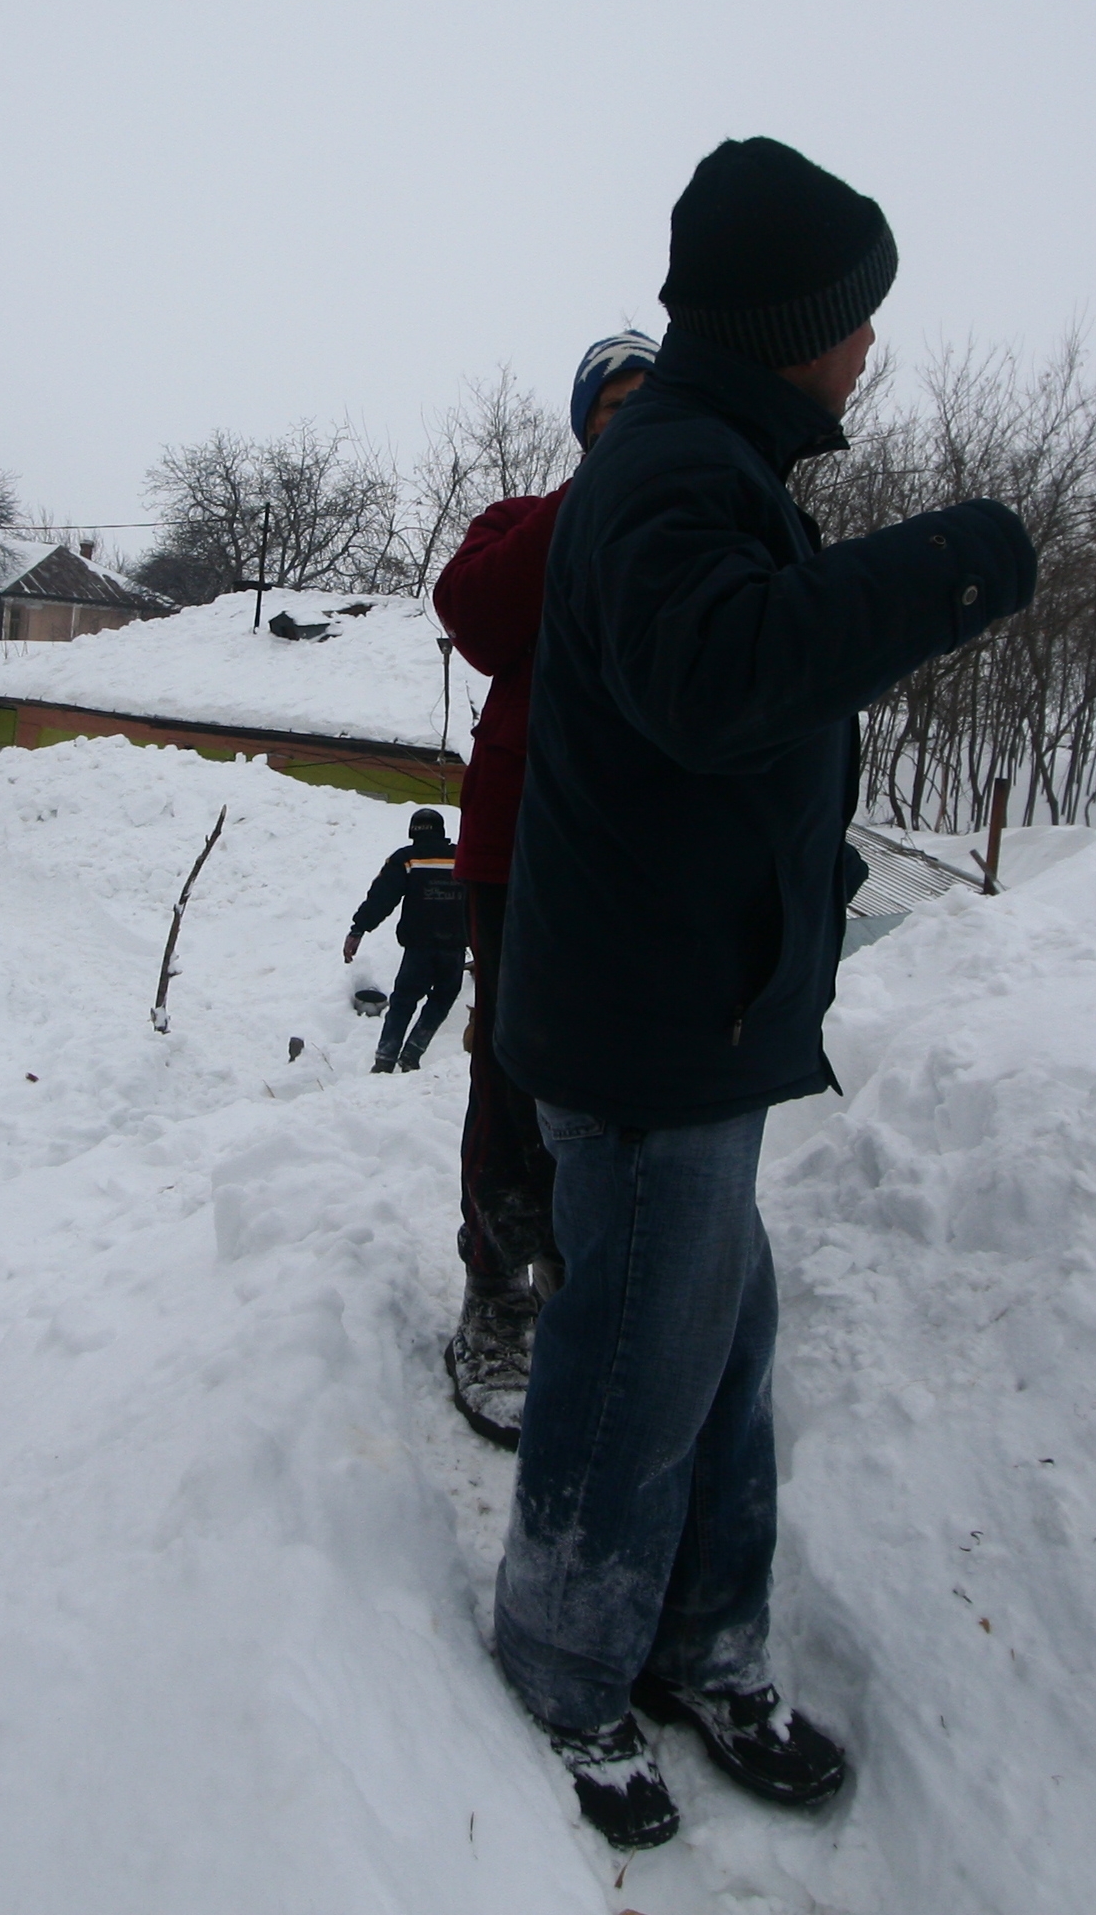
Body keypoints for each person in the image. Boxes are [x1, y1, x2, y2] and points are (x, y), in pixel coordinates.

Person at [493, 137, 1037, 1849]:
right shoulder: (668, 471)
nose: (873, 345)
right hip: (652, 1032)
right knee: (631, 1367)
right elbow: (724, 673)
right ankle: (569, 1662)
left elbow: (730, 698)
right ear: (795, 319)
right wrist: (952, 558)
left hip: (689, 1012)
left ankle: (708, 1636)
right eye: (859, 315)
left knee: (717, 1348)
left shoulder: (712, 461)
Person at [428, 330, 658, 1450]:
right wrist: (595, 499)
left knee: (626, 1089)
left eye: (652, 406)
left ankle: (596, 1284)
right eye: (614, 408)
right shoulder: (522, 521)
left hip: (648, 861)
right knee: (516, 1070)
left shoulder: (691, 538)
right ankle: (504, 1294)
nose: (635, 422)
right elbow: (474, 616)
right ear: (584, 427)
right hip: (522, 854)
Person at [343, 806, 466, 1072]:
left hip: (419, 947)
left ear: (413, 831)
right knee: (443, 998)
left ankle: (385, 1059)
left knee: (403, 1001)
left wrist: (358, 929)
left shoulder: (406, 859)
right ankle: (412, 1053)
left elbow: (381, 897)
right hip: (454, 946)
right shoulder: (462, 857)